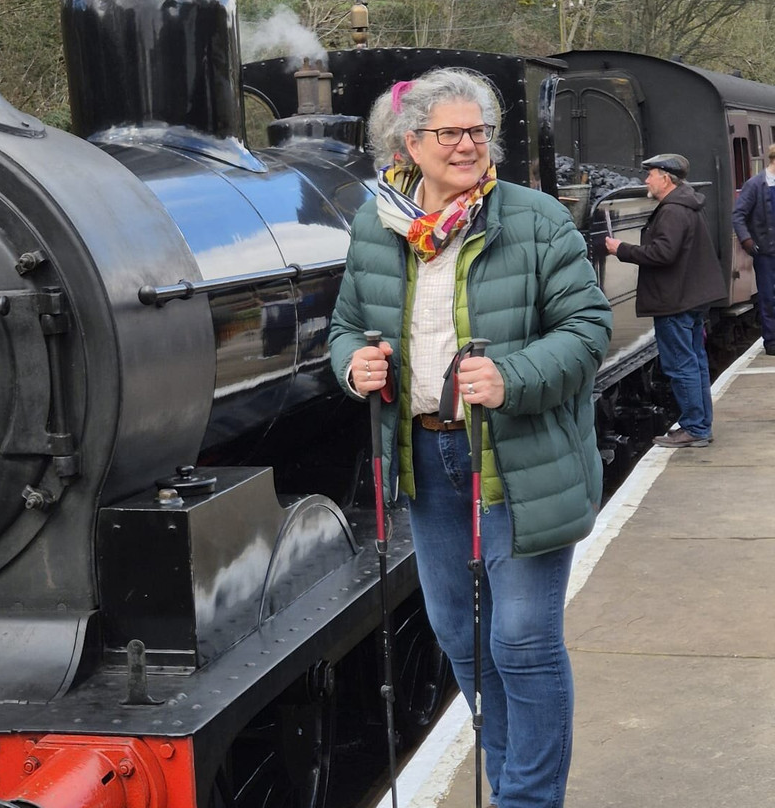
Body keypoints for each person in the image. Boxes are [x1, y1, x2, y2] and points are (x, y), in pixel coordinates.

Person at [329, 69, 611, 808]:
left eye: (478, 132)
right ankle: (510, 766)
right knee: (460, 635)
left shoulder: (536, 218)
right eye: (450, 133)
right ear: (409, 143)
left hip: (522, 459)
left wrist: (511, 376)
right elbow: (341, 329)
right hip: (425, 458)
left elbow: (588, 331)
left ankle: (525, 797)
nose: (467, 146)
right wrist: (351, 366)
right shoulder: (376, 225)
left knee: (521, 642)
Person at [605, 153, 726, 447]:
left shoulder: (673, 211)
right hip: (690, 297)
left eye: (651, 174)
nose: (646, 180)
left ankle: (696, 428)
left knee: (681, 365)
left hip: (675, 300)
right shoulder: (687, 204)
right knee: (694, 362)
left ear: (666, 178)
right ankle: (699, 424)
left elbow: (663, 253)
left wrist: (622, 249)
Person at [731, 143, 775, 356]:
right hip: (766, 252)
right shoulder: (755, 185)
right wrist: (747, 240)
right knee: (768, 297)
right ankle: (772, 342)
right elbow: (738, 214)